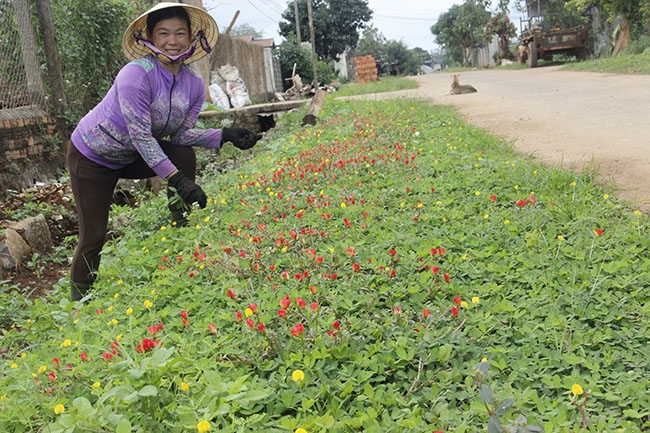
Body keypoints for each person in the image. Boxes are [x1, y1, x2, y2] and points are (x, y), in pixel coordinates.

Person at [67, 2, 261, 301]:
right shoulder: (135, 75)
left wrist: (224, 135)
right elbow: (142, 136)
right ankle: (80, 303)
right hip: (94, 156)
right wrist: (179, 181)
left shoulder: (193, 83)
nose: (173, 40)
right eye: (164, 33)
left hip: (133, 155)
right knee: (93, 236)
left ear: (191, 37)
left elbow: (182, 134)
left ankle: (180, 223)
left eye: (180, 33)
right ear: (150, 37)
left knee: (183, 152)